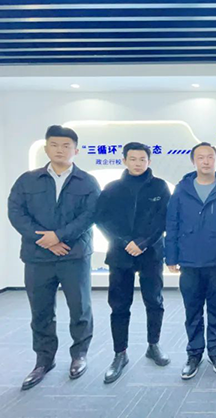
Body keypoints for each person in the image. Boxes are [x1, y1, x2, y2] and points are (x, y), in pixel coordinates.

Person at [8, 125, 100, 390]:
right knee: (41, 310)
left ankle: (79, 355)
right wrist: (45, 240)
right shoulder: (27, 180)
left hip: (74, 255)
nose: (60, 150)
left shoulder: (87, 182)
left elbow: (90, 215)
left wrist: (59, 237)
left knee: (80, 308)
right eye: (55, 145)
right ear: (46, 148)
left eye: (66, 146)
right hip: (37, 256)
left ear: (76, 150)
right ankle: (44, 360)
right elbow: (16, 212)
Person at [95, 142, 172, 384]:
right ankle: (120, 353)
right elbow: (101, 219)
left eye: (142, 159)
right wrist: (125, 241)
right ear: (124, 160)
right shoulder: (112, 188)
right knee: (119, 305)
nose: (138, 163)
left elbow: (164, 219)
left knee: (154, 301)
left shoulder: (160, 186)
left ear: (149, 161)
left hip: (151, 253)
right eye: (133, 159)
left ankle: (153, 345)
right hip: (120, 254)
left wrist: (143, 243)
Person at [165, 142, 216, 379]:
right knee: (193, 310)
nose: (206, 161)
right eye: (201, 157)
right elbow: (172, 224)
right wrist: (171, 256)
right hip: (189, 260)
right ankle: (194, 353)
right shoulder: (182, 190)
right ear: (193, 161)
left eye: (210, 157)